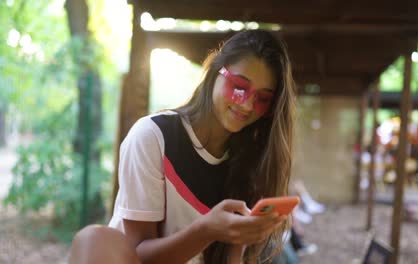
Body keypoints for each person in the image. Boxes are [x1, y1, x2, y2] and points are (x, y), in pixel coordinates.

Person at [69, 30, 297, 264]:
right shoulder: (154, 136)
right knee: (93, 239)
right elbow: (138, 255)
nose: (248, 104)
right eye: (239, 86)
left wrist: (240, 238)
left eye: (262, 98)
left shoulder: (254, 160)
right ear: (214, 72)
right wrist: (206, 230)